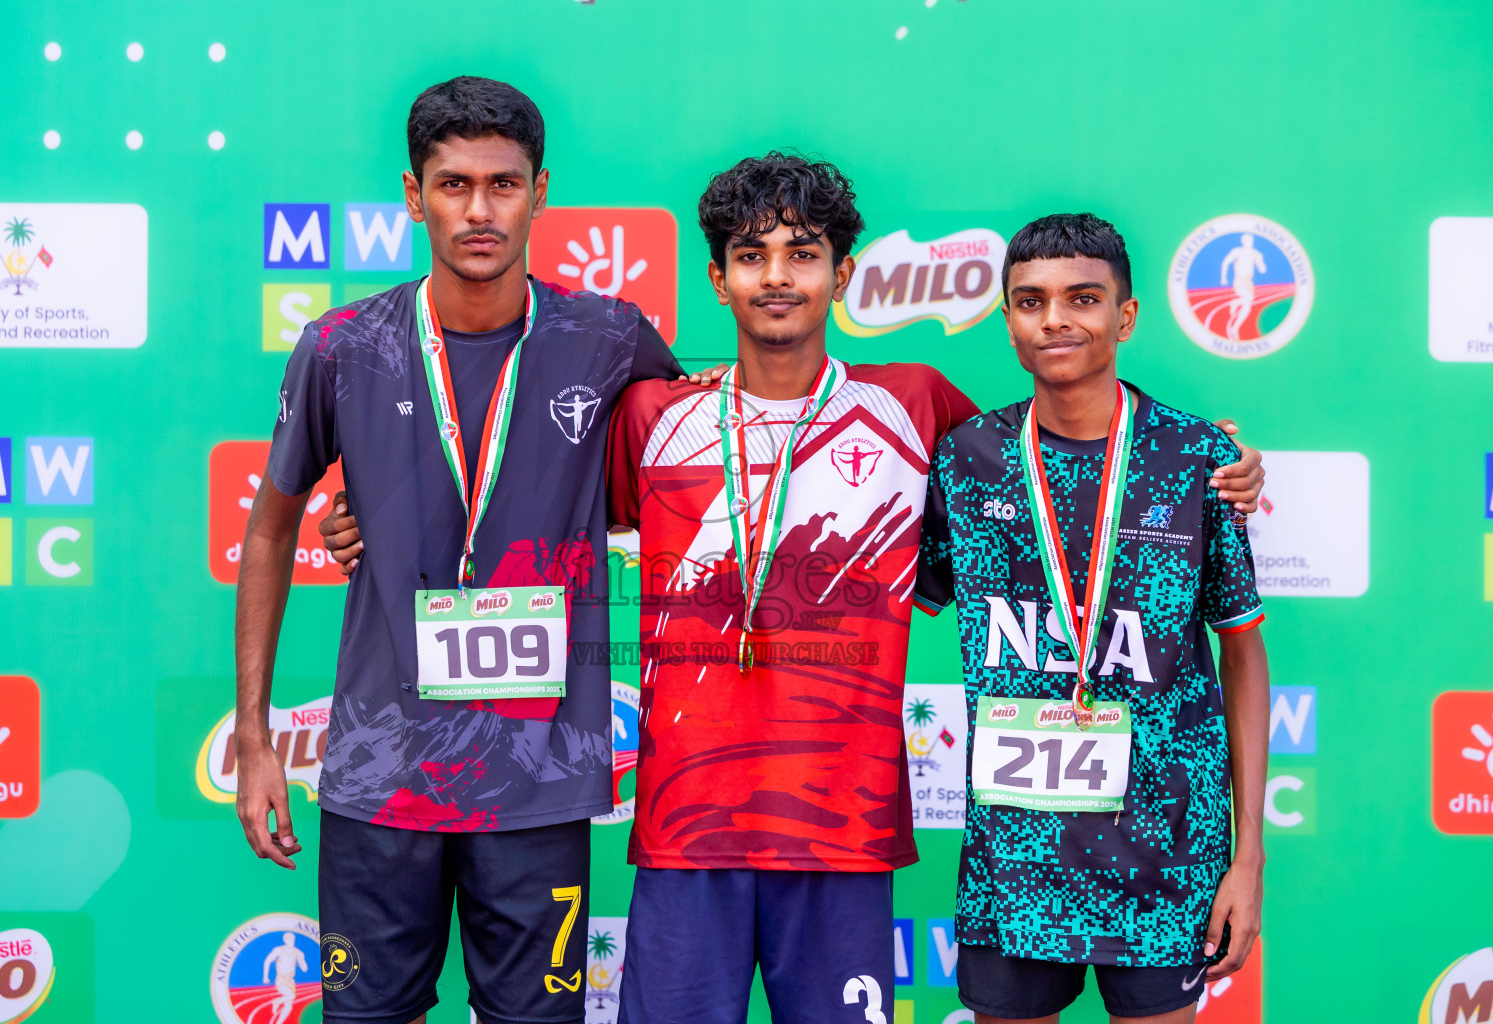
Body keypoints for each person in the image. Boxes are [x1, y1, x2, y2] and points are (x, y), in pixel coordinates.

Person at [320, 162, 1265, 1023]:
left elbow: (1060, 466)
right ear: (720, 276)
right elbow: (528, 501)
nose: (779, 275)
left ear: (842, 275)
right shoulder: (655, 412)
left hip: (843, 831)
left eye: (804, 254)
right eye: (752, 255)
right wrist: (373, 526)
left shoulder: (919, 404)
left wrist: (1215, 458)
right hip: (688, 829)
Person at [233, 76, 715, 1024]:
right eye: (454, 185)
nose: (480, 210)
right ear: (413, 196)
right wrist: (254, 737)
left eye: (503, 183)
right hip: (383, 776)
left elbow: (677, 482)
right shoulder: (343, 345)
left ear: (541, 191)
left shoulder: (610, 337)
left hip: (539, 780)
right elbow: (266, 529)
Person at [917, 213, 1270, 1024]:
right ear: (1007, 318)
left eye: (1082, 298)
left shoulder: (1198, 460)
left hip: (1167, 851)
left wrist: (1247, 856)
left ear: (1127, 315)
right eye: (1030, 301)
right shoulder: (964, 459)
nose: (1055, 320)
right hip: (1017, 860)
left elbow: (1243, 652)